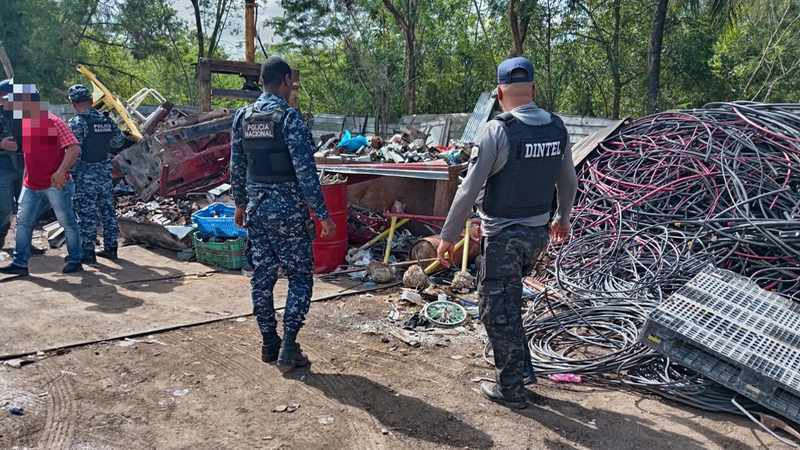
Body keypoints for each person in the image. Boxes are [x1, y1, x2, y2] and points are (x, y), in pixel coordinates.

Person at [437, 57, 578, 409]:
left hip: (503, 238)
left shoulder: (497, 131)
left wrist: (447, 235)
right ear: (533, 90)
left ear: (500, 93)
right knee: (509, 304)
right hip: (537, 237)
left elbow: (468, 190)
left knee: (496, 309)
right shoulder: (557, 128)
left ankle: (511, 388)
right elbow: (568, 180)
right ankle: (521, 372)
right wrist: (563, 218)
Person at [230, 56, 336, 373]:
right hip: (288, 212)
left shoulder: (242, 117)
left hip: (257, 211)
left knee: (261, 279)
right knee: (300, 278)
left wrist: (240, 202)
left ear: (263, 81)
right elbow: (306, 173)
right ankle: (288, 348)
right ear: (286, 80)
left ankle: (268, 343)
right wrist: (322, 214)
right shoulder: (289, 120)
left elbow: (236, 164)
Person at [0, 85, 84, 276]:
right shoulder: (26, 123)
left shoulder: (52, 121)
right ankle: (20, 263)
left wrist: (61, 171)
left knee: (67, 222)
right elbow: (29, 154)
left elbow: (74, 148)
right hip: (32, 184)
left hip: (55, 184)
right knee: (23, 222)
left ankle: (75, 259)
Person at [67, 84, 128, 263]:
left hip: (85, 174)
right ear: (92, 101)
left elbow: (74, 151)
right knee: (107, 211)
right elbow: (118, 142)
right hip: (104, 172)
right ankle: (111, 248)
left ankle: (88, 252)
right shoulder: (106, 120)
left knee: (86, 213)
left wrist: (70, 172)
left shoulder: (77, 123)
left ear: (72, 103)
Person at [0, 79, 24, 247]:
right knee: (5, 208)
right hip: (3, 167)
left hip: (25, 167)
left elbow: (45, 138)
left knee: (25, 208)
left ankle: (24, 243)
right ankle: (1, 238)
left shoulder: (26, 113)